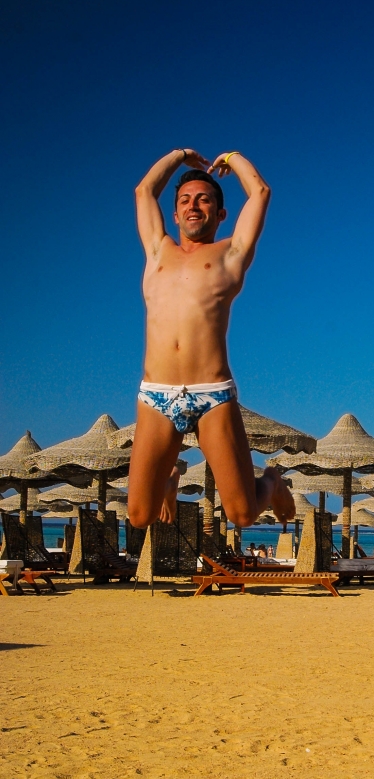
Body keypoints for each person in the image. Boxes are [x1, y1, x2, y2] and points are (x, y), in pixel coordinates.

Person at [128, 148, 295, 530]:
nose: (193, 205)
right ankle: (171, 481)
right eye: (185, 200)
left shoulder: (231, 254)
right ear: (175, 214)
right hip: (156, 393)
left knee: (241, 514)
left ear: (220, 214)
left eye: (204, 200)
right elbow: (144, 191)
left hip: (212, 394)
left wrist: (233, 159)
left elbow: (259, 193)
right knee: (138, 517)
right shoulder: (157, 251)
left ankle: (271, 481)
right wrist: (180, 155)